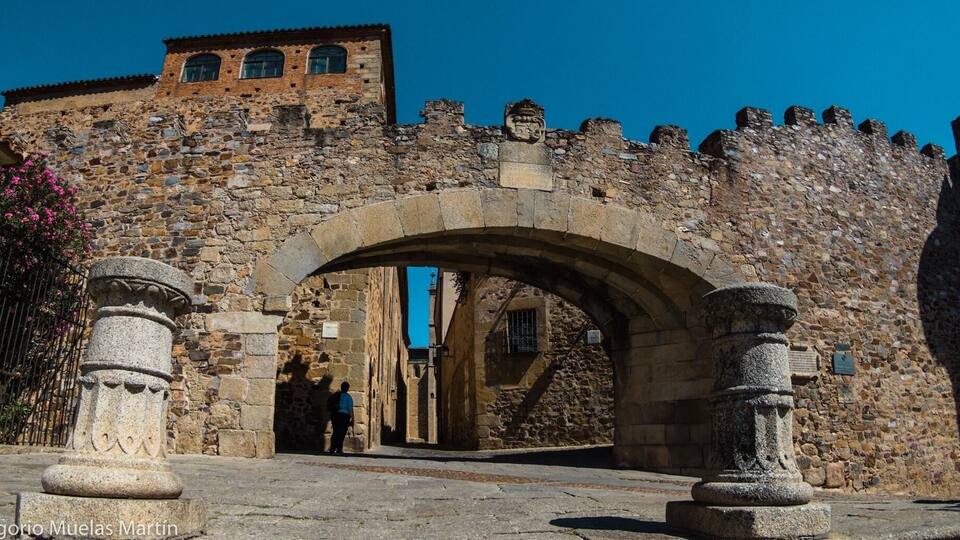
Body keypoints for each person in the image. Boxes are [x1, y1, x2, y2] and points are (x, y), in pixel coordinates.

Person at [327, 381, 354, 455]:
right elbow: (350, 409)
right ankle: (339, 449)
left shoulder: (336, 395)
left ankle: (332, 449)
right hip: (344, 417)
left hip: (335, 415)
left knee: (335, 432)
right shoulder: (348, 397)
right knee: (341, 433)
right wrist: (353, 420)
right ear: (347, 388)